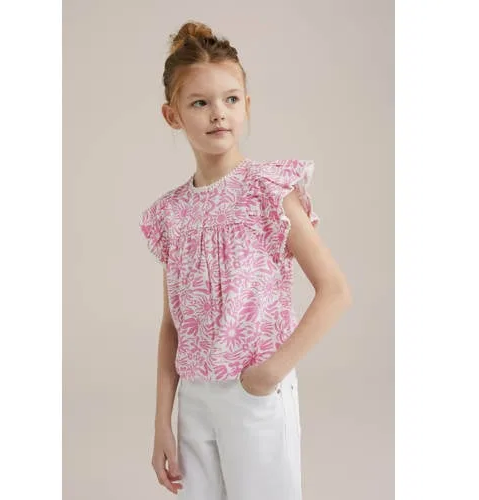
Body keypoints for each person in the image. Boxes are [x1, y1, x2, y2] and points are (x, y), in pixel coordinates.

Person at [139, 20, 352, 500]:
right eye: (200, 103)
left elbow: (336, 291)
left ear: (247, 106)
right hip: (195, 399)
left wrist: (271, 372)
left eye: (231, 99)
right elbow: (172, 324)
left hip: (255, 392)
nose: (219, 113)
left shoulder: (268, 192)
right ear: (172, 115)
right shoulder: (171, 214)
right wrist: (162, 422)